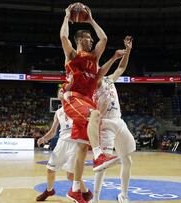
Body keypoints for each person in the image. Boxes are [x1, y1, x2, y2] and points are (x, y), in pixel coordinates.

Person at [60, 4, 119, 203]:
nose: (91, 40)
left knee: (82, 147)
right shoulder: (73, 56)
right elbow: (63, 38)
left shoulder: (94, 60)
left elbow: (104, 39)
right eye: (88, 38)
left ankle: (75, 189)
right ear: (80, 40)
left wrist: (91, 19)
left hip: (86, 100)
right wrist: (67, 17)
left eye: (91, 39)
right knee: (95, 114)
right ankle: (100, 156)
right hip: (73, 97)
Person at [92, 36, 135, 203]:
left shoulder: (109, 80)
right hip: (105, 125)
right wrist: (113, 57)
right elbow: (99, 75)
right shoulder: (93, 83)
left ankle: (123, 195)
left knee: (128, 160)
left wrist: (128, 50)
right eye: (97, 67)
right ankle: (95, 198)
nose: (99, 69)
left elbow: (122, 67)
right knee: (103, 165)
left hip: (119, 121)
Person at [35, 90, 92, 202]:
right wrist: (44, 138)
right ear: (58, 95)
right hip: (62, 143)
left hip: (75, 143)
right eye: (60, 91)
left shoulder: (78, 107)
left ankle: (86, 192)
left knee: (71, 175)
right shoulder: (58, 112)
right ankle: (49, 190)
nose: (62, 92)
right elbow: (52, 131)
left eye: (65, 91)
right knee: (50, 169)